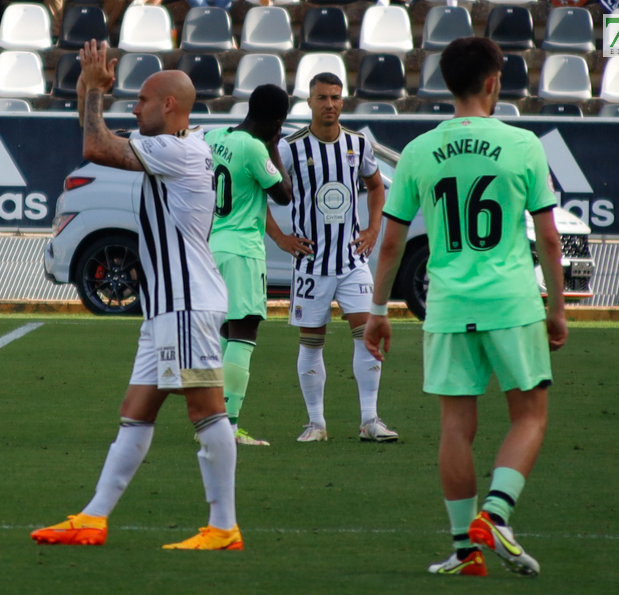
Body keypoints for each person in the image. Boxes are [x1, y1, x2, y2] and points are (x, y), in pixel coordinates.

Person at [364, 37, 567, 577]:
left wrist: (379, 308)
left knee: (456, 427)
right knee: (529, 415)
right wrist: (558, 307)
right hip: (511, 301)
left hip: (448, 304)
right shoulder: (523, 144)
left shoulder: (418, 151)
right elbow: (547, 238)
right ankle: (496, 514)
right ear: (494, 82)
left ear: (447, 84)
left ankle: (464, 549)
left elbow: (390, 243)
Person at [31, 40, 241, 551]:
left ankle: (223, 526)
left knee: (206, 410)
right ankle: (93, 518)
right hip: (167, 306)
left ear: (169, 106)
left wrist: (97, 94)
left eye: (143, 99)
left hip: (186, 302)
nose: (135, 105)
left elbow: (96, 146)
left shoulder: (180, 149)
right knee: (136, 410)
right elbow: (97, 131)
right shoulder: (169, 147)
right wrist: (89, 85)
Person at [272, 72, 399, 444]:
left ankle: (370, 419)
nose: (330, 104)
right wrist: (280, 237)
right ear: (309, 103)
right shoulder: (289, 148)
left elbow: (376, 187)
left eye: (336, 97)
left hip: (350, 260)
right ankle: (316, 423)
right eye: (323, 97)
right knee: (312, 341)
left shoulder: (359, 144)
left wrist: (373, 229)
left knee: (367, 335)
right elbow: (255, 190)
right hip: (311, 263)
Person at [204, 83, 292, 446]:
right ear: (278, 121)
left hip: (210, 246)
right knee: (243, 334)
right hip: (241, 250)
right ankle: (226, 427)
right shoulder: (256, 149)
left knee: (225, 336)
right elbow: (284, 195)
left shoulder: (213, 136)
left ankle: (212, 421)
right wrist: (273, 144)